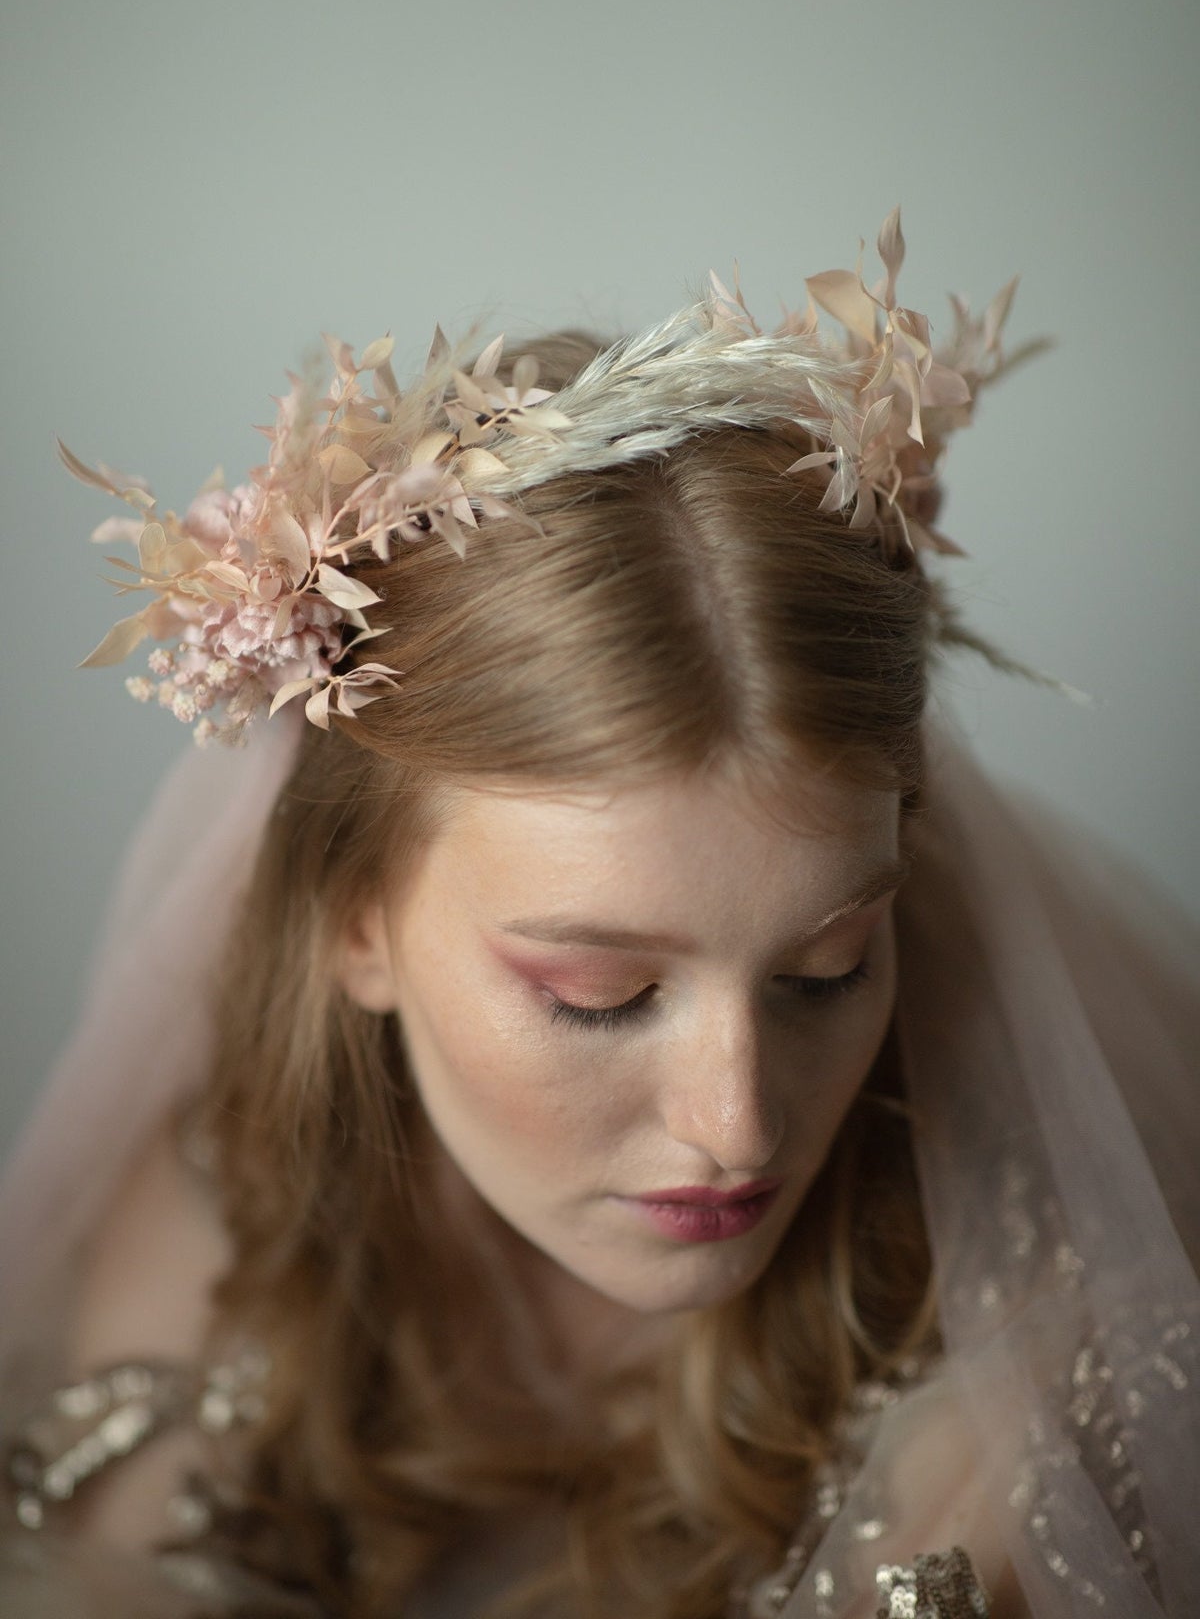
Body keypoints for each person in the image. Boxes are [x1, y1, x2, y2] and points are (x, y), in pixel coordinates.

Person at [1, 212, 1196, 1619]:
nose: (738, 1126)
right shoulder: (232, 1217)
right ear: (355, 924)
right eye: (600, 996)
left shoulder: (1048, 1399)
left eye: (828, 968)